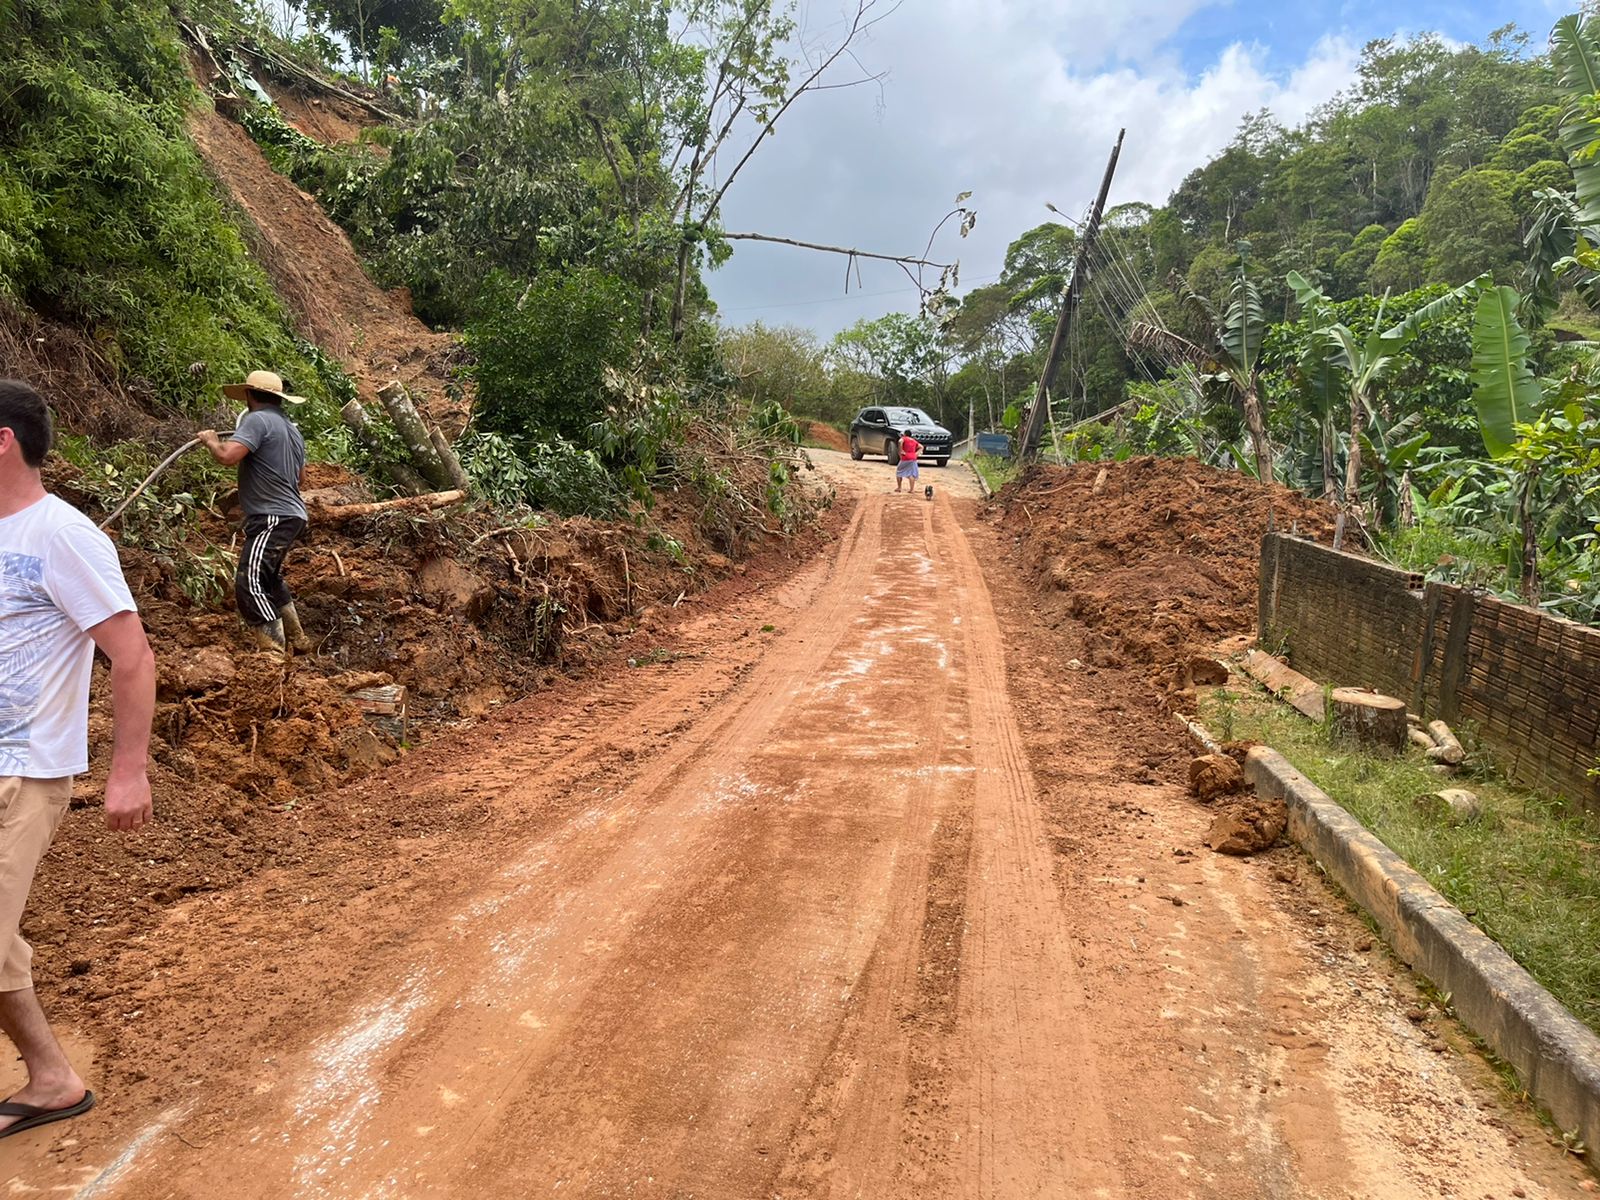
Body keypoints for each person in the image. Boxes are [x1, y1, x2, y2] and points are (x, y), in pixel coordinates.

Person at [0, 379, 155, 1138]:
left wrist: (127, 769)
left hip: (22, 773)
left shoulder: (64, 536)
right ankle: (53, 1078)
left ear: (3, 440)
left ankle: (54, 1078)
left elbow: (131, 654)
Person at [198, 370, 311, 655]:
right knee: (268, 578)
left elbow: (227, 456)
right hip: (293, 514)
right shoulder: (292, 429)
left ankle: (272, 655)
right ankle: (298, 639)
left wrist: (212, 440)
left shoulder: (256, 420)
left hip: (272, 515)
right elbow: (301, 480)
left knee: (249, 581)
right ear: (277, 397)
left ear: (249, 394)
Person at [894, 430, 922, 494]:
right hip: (913, 458)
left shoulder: (904, 438)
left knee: (899, 471)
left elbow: (900, 441)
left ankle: (899, 487)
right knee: (911, 474)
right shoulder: (913, 440)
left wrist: (901, 450)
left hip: (905, 457)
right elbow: (921, 447)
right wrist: (916, 453)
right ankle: (911, 489)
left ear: (905, 434)